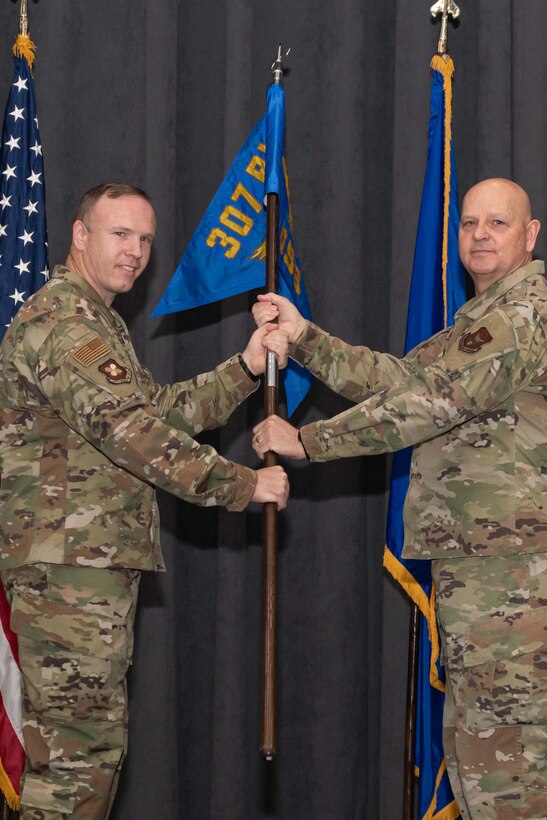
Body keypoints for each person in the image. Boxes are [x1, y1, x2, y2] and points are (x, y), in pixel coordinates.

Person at [251, 178, 547, 819]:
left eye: (498, 223)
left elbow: (431, 403)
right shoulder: (481, 320)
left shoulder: (523, 316)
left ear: (530, 235)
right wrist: (306, 339)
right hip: (485, 573)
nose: (480, 235)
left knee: (509, 778)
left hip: (514, 580)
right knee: (477, 764)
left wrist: (308, 441)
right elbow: (403, 379)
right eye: (469, 223)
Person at [0, 182, 289, 819]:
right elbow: (134, 434)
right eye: (119, 234)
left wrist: (243, 368)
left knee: (87, 756)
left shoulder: (95, 322)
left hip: (82, 567)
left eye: (145, 239)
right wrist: (244, 485)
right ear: (80, 236)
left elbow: (153, 412)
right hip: (68, 571)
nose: (134, 251)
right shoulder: (64, 323)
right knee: (77, 763)